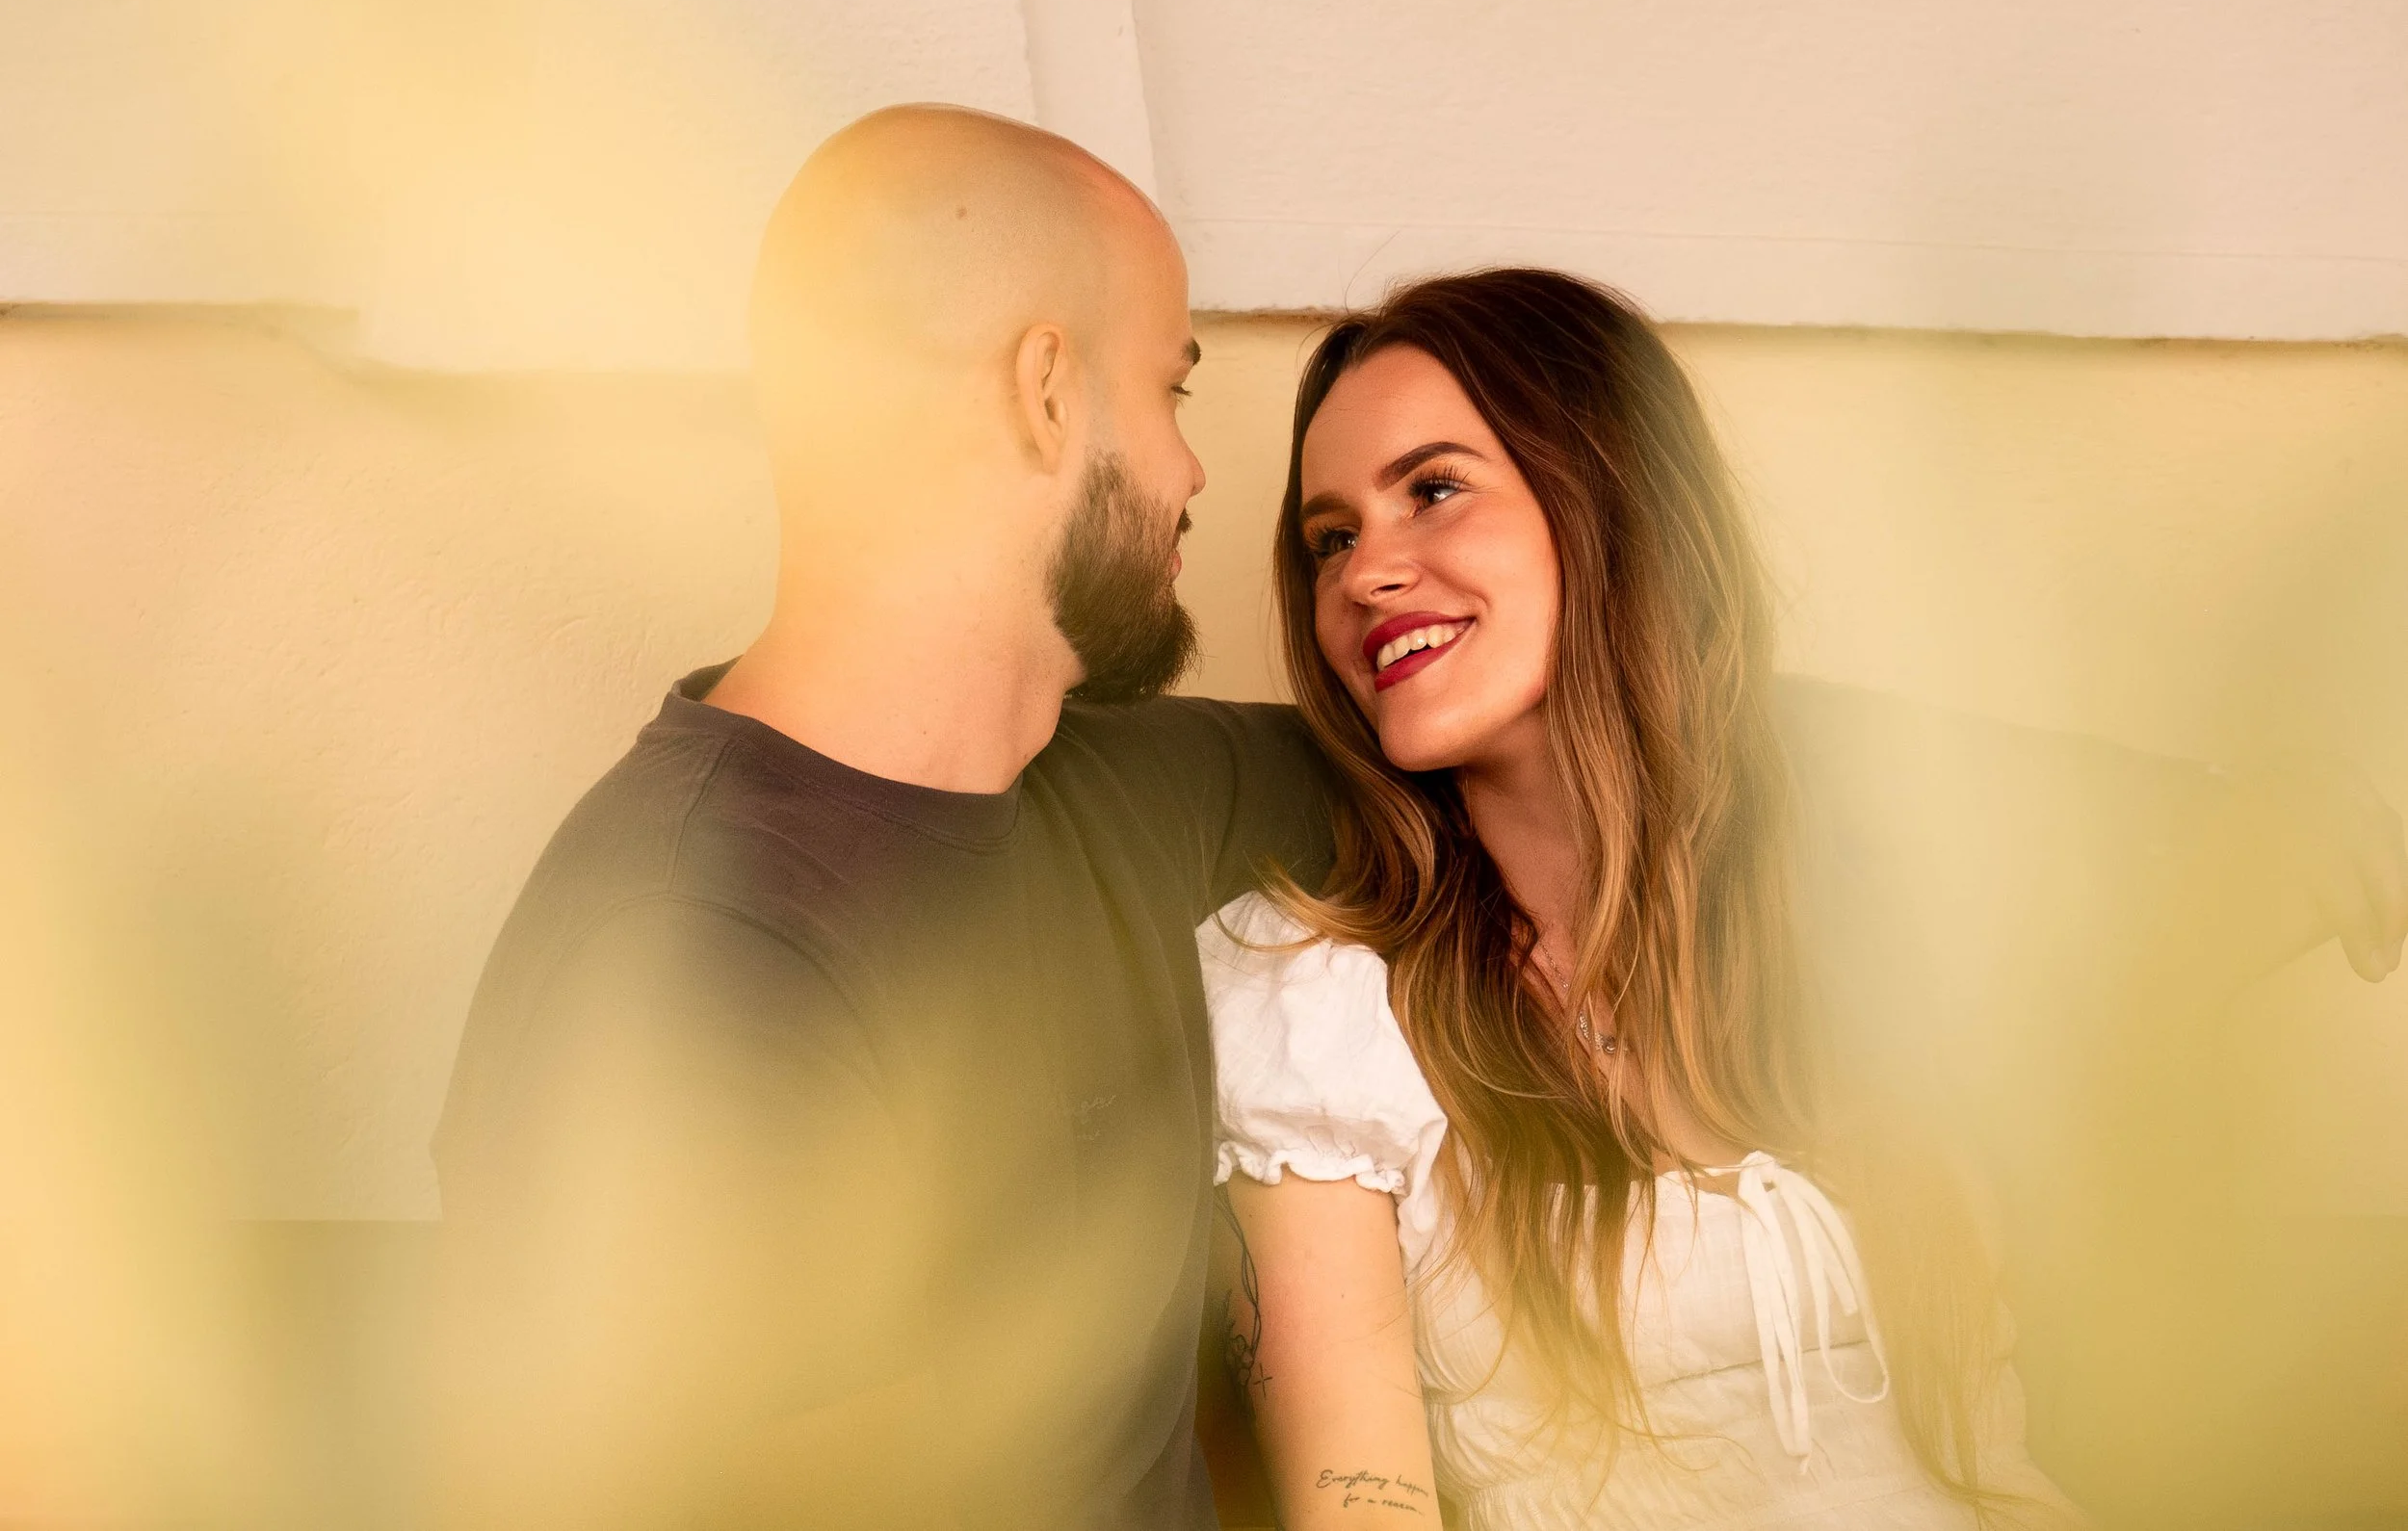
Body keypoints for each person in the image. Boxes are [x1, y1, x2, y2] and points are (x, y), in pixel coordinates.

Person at [1197, 268, 2408, 1529]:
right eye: (1330, 539)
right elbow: (1359, 1503)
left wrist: (2268, 822)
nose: (1364, 577)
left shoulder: (1879, 923)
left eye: (1432, 491)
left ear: (1618, 503)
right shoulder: (1318, 998)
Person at [429, 105, 1333, 1530]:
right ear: (1046, 392)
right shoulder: (699, 967)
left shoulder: (1131, 797)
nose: (1193, 473)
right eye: (1172, 392)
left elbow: (1515, 764)